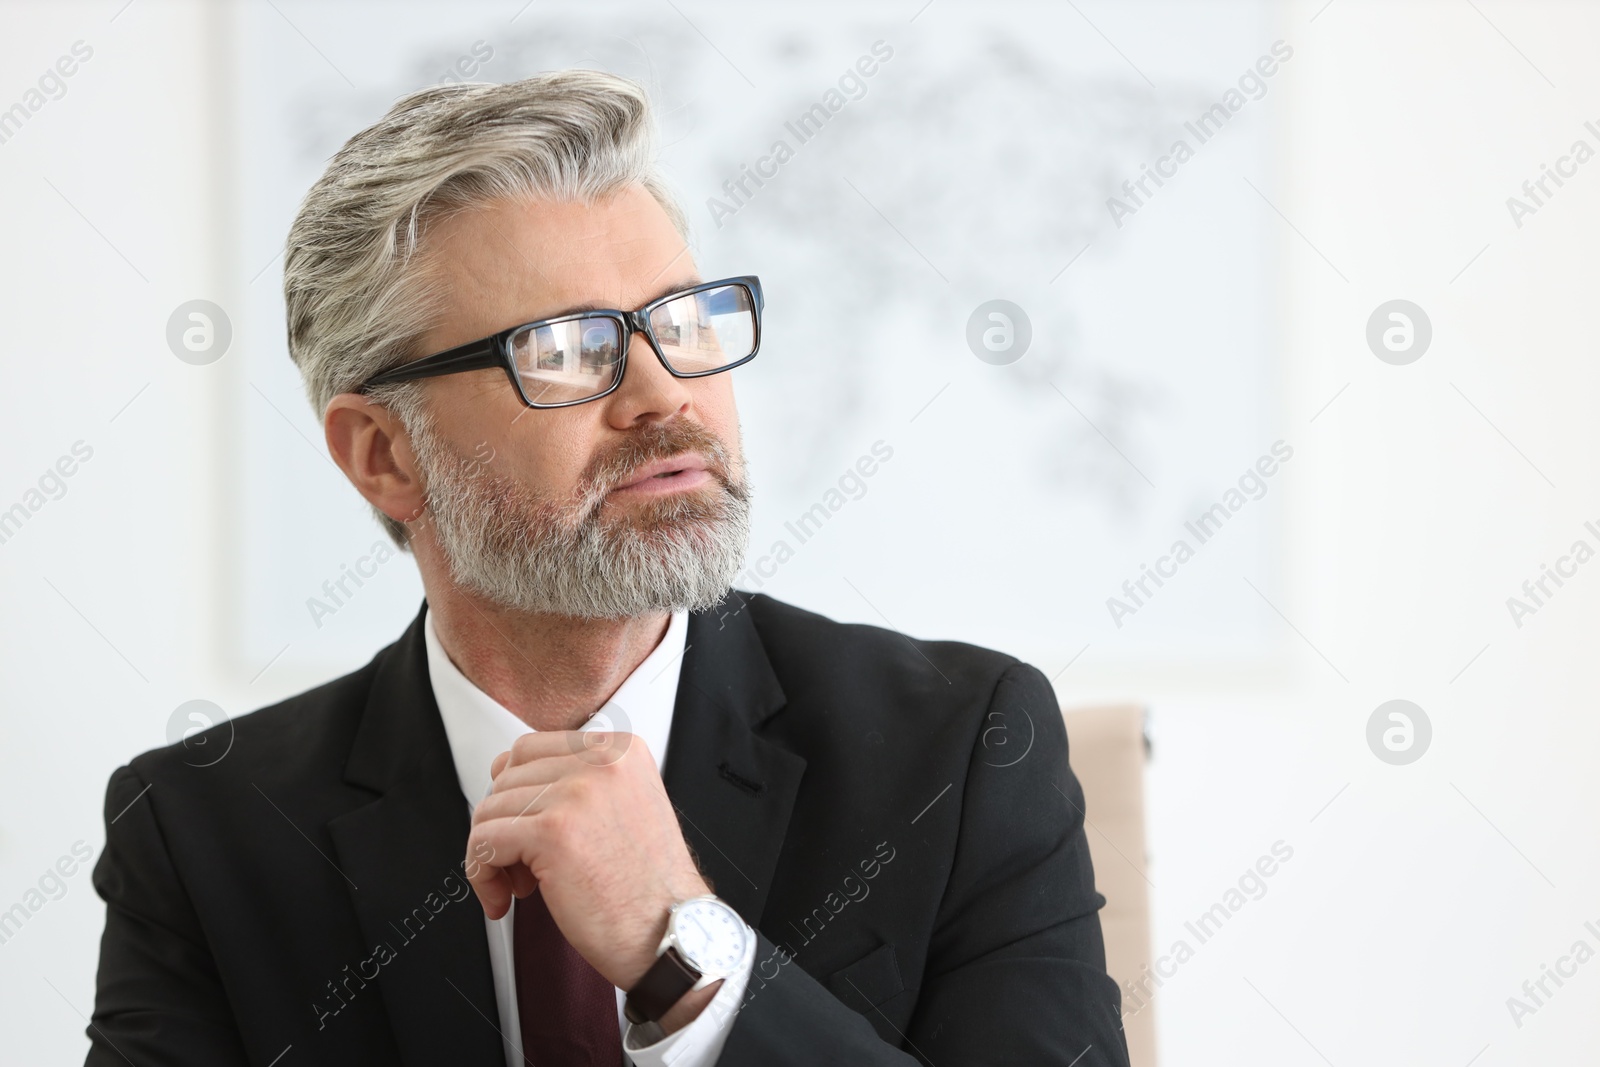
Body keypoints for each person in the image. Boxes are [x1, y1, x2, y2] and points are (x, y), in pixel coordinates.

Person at [84, 70, 1129, 1067]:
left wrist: (683, 954)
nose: (663, 394)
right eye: (565, 348)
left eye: (681, 323)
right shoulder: (203, 829)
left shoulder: (963, 748)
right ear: (384, 453)